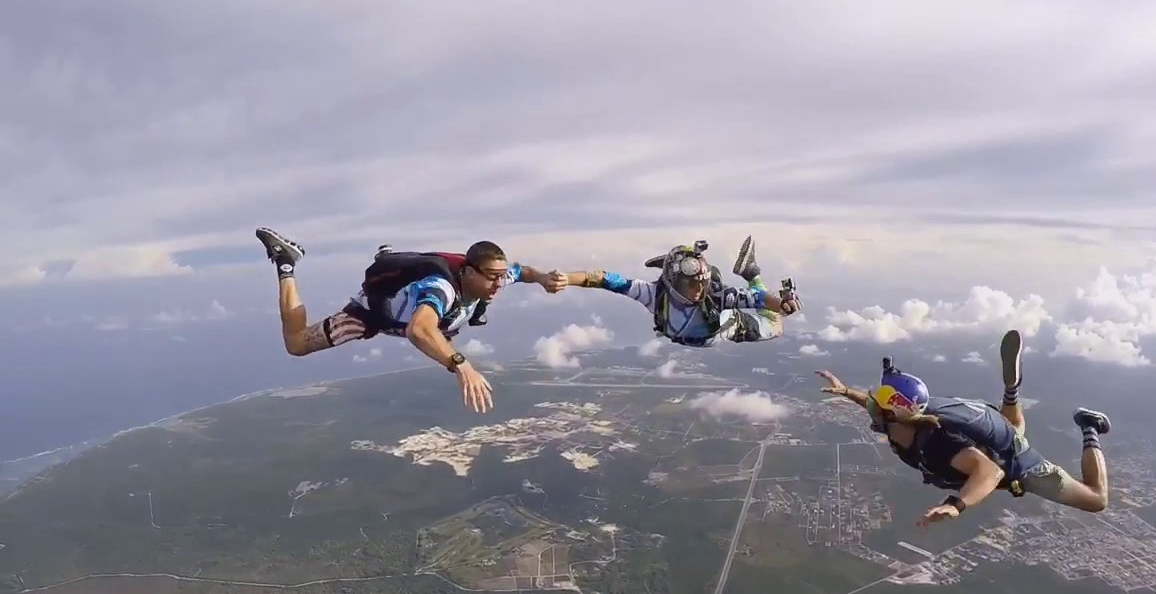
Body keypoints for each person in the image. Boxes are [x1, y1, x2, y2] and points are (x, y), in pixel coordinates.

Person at [814, 329, 1111, 526]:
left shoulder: (939, 442)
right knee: (1013, 427)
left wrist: (956, 505)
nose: (870, 407)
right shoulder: (899, 423)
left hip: (1020, 467)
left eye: (875, 406)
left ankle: (1089, 426)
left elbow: (990, 472)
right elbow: (872, 404)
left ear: (893, 415)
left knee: (1096, 500)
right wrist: (846, 392)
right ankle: (1011, 392)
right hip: (998, 442)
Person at [255, 227, 564, 414]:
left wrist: (542, 279)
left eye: (500, 277)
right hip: (372, 314)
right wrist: (461, 365)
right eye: (492, 279)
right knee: (296, 343)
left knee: (451, 322)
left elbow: (520, 271)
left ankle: (386, 257)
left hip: (411, 305)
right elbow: (419, 330)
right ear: (468, 272)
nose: (498, 285)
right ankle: (285, 262)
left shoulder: (489, 275)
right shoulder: (440, 289)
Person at [552, 236, 803, 347]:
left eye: (701, 283)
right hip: (692, 335)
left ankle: (751, 272)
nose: (697, 290)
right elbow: (603, 279)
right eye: (690, 283)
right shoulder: (653, 293)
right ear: (672, 281)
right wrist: (567, 279)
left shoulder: (714, 295)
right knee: (769, 318)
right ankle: (747, 271)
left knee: (775, 327)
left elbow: (757, 298)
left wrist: (781, 304)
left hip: (724, 327)